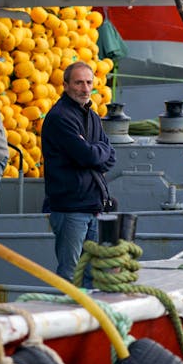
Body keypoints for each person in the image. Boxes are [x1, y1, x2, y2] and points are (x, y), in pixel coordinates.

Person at [41, 61, 116, 287]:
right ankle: (69, 316)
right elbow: (88, 156)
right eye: (79, 83)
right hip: (70, 207)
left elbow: (110, 156)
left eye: (89, 82)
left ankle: (90, 319)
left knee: (92, 273)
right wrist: (96, 152)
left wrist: (94, 151)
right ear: (65, 85)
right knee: (70, 273)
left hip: (93, 206)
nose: (85, 88)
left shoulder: (91, 116)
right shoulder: (60, 117)